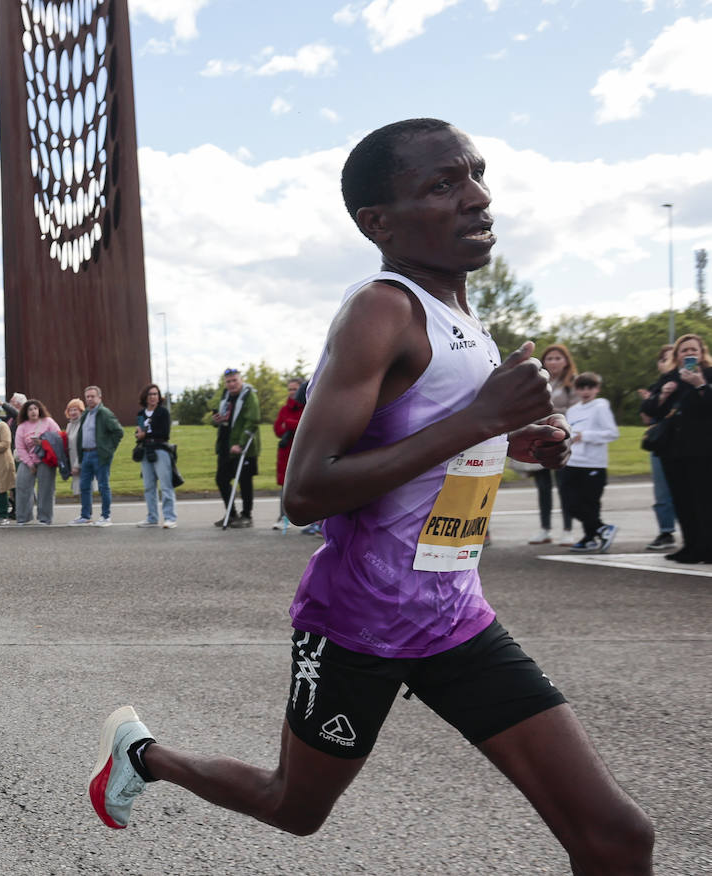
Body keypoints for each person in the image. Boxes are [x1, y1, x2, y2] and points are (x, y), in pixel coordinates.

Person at [88, 119, 654, 874]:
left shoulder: (467, 324)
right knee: (296, 808)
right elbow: (307, 490)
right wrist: (482, 417)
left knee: (617, 836)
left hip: (454, 618)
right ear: (377, 223)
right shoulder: (382, 310)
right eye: (443, 185)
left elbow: (425, 447)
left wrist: (509, 443)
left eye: (477, 175)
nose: (479, 198)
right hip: (362, 623)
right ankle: (145, 756)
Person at [639, 332, 712, 564]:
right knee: (682, 499)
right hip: (674, 449)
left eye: (694, 350)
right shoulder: (669, 377)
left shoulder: (708, 374)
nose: (690, 353)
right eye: (685, 350)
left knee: (704, 500)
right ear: (677, 355)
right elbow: (649, 410)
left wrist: (700, 384)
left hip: (703, 448)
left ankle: (707, 548)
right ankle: (691, 546)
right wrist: (662, 395)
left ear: (702, 353)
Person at [559, 372, 619, 553]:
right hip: (572, 462)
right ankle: (601, 528)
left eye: (590, 387)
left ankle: (590, 537)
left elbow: (612, 433)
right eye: (581, 387)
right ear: (576, 390)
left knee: (590, 503)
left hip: (593, 464)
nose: (586, 391)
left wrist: (585, 436)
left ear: (597, 389)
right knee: (570, 503)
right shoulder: (573, 410)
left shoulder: (600, 406)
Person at [527, 344, 579, 545]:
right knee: (543, 487)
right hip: (541, 435)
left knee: (565, 486)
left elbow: (577, 409)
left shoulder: (572, 382)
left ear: (566, 361)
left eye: (558, 358)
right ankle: (545, 529)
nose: (554, 362)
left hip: (563, 437)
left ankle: (567, 529)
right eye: (550, 358)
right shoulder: (539, 381)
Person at [638, 344, 679, 551]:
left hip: (685, 443)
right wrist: (653, 400)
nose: (666, 363)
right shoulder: (657, 386)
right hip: (662, 443)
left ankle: (696, 531)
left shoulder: (690, 382)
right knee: (662, 491)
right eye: (663, 359)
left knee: (691, 490)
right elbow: (647, 418)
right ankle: (666, 531)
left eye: (671, 358)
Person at [212, 368, 260, 528]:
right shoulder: (225, 396)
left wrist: (240, 443)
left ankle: (247, 515)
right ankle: (231, 514)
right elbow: (223, 419)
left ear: (241, 380)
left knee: (245, 481)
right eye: (228, 381)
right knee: (221, 479)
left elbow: (252, 420)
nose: (231, 384)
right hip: (225, 445)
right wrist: (216, 420)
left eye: (234, 380)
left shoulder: (249, 395)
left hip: (243, 447)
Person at [69, 386, 123, 527]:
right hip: (86, 454)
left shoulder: (104, 413)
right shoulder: (86, 414)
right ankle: (85, 516)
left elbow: (118, 431)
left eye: (92, 396)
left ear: (99, 397)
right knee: (84, 486)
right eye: (87, 397)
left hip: (99, 454)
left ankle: (106, 516)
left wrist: (108, 449)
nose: (90, 399)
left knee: (103, 485)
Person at [134, 384, 176, 529]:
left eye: (156, 394)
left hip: (160, 450)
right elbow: (140, 432)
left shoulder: (163, 412)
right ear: (145, 397)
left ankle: (170, 517)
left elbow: (165, 433)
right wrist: (139, 435)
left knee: (165, 485)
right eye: (150, 394)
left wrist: (146, 434)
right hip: (146, 450)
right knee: (148, 486)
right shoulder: (141, 414)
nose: (153, 397)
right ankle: (152, 518)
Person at [14, 398, 61, 525]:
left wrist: (43, 442)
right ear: (26, 412)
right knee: (22, 486)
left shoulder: (48, 422)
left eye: (35, 408)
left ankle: (45, 517)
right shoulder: (22, 427)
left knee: (46, 489)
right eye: (30, 409)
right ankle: (23, 517)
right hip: (27, 460)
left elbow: (58, 437)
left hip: (45, 459)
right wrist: (30, 464)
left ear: (40, 410)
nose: (33, 411)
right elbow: (20, 447)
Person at [272, 378, 305, 529]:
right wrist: (292, 424)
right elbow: (278, 429)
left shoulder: (308, 406)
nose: (292, 392)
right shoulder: (284, 409)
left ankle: (308, 519)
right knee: (285, 488)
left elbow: (304, 426)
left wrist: (289, 424)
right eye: (290, 389)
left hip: (301, 452)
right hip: (286, 452)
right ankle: (282, 516)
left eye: (295, 389)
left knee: (304, 485)